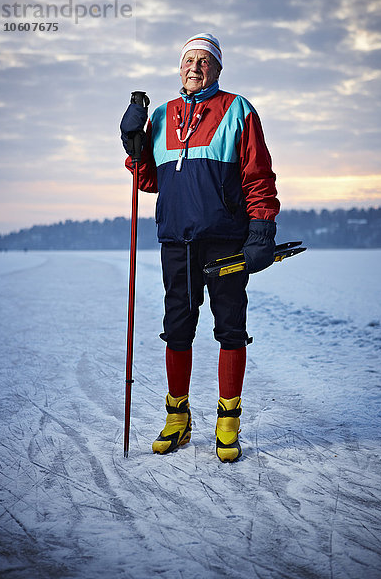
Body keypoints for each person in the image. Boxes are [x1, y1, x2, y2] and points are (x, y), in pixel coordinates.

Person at [120, 33, 280, 462]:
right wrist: (134, 149)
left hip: (225, 239)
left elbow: (258, 176)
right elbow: (151, 180)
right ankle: (179, 418)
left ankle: (228, 421)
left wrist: (262, 230)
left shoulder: (237, 109)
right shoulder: (162, 115)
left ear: (218, 68)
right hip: (176, 239)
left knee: (230, 328)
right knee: (177, 328)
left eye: (204, 60)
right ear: (179, 68)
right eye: (188, 60)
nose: (195, 66)